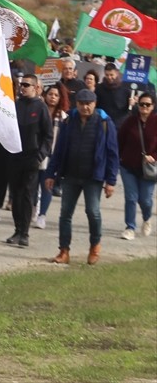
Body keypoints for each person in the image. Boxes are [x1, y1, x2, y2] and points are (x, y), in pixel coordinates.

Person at [46, 89, 119, 265]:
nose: (85, 107)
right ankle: (64, 251)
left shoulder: (104, 122)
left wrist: (111, 181)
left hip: (93, 177)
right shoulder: (69, 120)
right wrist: (51, 173)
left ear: (94, 104)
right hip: (70, 175)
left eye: (89, 103)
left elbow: (112, 153)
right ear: (76, 104)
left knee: (92, 212)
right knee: (65, 214)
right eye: (81, 103)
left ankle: (95, 246)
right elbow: (59, 149)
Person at [5, 74, 53, 248]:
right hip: (14, 157)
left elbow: (48, 136)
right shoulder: (15, 106)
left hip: (32, 158)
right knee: (15, 195)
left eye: (26, 85)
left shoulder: (41, 108)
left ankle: (24, 233)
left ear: (35, 87)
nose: (22, 87)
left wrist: (40, 156)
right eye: (21, 84)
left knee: (27, 195)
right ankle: (17, 230)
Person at [116, 91, 156, 240]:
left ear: (153, 106)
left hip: (148, 169)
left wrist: (154, 157)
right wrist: (117, 158)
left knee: (145, 199)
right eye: (142, 104)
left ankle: (147, 219)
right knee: (131, 197)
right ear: (138, 105)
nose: (144, 107)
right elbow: (119, 140)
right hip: (128, 166)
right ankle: (130, 227)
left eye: (148, 104)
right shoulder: (130, 122)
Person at [36, 84, 70, 230]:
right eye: (50, 94)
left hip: (52, 157)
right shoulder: (38, 111)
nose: (53, 97)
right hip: (36, 154)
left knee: (47, 186)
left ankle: (42, 215)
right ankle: (33, 209)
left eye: (56, 95)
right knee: (32, 187)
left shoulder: (64, 118)